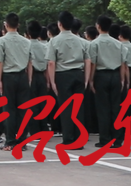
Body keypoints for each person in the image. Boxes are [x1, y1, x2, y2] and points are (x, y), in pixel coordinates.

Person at [47, 10, 86, 149]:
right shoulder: (81, 41)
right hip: (79, 73)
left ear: (60, 24)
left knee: (66, 108)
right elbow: (87, 60)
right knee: (79, 108)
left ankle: (69, 139)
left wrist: (52, 81)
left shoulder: (54, 41)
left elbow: (51, 62)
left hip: (63, 75)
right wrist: (86, 78)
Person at [86, 16, 125, 149]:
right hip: (115, 75)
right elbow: (122, 63)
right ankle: (118, 139)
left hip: (101, 76)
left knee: (103, 109)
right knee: (116, 108)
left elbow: (93, 63)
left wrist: (90, 80)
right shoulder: (118, 43)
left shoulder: (94, 44)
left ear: (98, 26)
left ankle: (105, 139)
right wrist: (122, 79)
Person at [0, 13, 31, 151]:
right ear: (18, 25)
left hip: (8, 76)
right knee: (23, 110)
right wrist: (29, 78)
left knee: (9, 110)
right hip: (23, 76)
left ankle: (10, 141)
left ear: (6, 24)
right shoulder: (26, 41)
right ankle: (22, 141)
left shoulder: (1, 41)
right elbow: (29, 63)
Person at [25, 21, 51, 137]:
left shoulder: (26, 45)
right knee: (43, 103)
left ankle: (34, 130)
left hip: (31, 75)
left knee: (32, 103)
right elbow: (47, 63)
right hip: (42, 75)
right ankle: (44, 128)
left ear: (28, 33)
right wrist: (48, 80)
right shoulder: (44, 46)